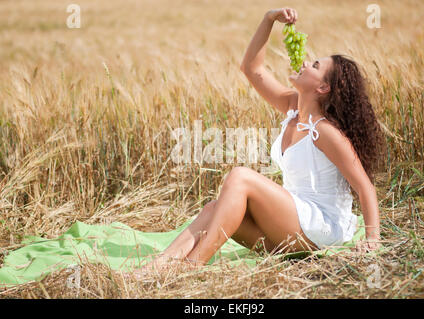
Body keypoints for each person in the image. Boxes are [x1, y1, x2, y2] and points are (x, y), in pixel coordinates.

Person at [128, 7, 386, 279]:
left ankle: (191, 269)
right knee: (213, 209)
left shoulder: (325, 132)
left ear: (323, 88)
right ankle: (151, 271)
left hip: (320, 228)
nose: (306, 63)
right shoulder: (292, 107)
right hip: (290, 228)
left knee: (241, 177)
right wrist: (269, 19)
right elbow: (252, 68)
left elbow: (364, 186)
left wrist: (373, 239)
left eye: (316, 66)